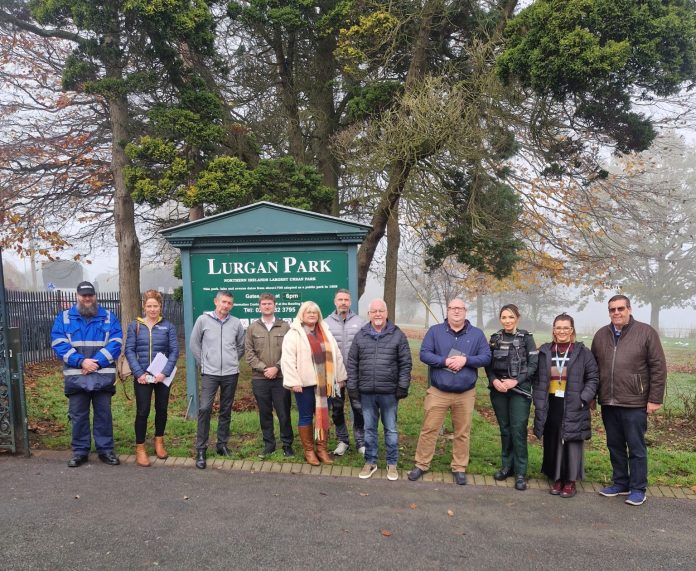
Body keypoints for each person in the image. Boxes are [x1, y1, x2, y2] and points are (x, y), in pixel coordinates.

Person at [591, 295, 667, 506]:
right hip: (608, 402)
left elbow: (658, 368)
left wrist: (655, 399)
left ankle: (638, 488)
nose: (617, 312)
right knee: (614, 445)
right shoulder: (601, 335)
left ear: (629, 309)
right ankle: (620, 483)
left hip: (635, 402)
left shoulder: (646, 333)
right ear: (609, 312)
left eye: (620, 308)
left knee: (636, 447)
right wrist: (592, 397)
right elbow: (593, 369)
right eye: (612, 309)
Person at [407, 299, 491, 485]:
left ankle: (459, 467)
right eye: (453, 308)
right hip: (439, 391)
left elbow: (486, 356)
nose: (456, 311)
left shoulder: (476, 334)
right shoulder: (435, 331)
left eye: (459, 308)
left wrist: (465, 360)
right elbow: (424, 354)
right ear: (448, 310)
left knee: (462, 432)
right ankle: (421, 464)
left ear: (465, 311)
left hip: (465, 393)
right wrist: (445, 361)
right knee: (429, 430)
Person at [50, 281, 123, 467]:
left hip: (102, 376)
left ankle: (105, 450)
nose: (87, 298)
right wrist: (81, 361)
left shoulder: (108, 317)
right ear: (77, 296)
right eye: (84, 295)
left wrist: (95, 362)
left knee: (103, 415)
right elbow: (58, 343)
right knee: (78, 416)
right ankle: (80, 451)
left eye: (90, 295)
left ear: (95, 296)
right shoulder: (64, 318)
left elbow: (116, 342)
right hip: (76, 377)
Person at [533, 313, 599, 498]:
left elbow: (593, 378)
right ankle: (556, 478)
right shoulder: (545, 351)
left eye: (565, 328)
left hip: (574, 402)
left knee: (571, 440)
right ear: (553, 330)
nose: (562, 331)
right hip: (551, 402)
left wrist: (583, 398)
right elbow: (538, 378)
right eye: (558, 327)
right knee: (553, 439)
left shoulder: (583, 352)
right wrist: (538, 400)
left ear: (572, 330)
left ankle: (570, 481)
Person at [347, 299, 412, 481]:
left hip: (390, 393)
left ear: (386, 313)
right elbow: (352, 363)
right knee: (369, 429)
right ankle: (370, 461)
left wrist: (402, 386)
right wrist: (352, 387)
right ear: (369, 314)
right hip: (366, 392)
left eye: (381, 311)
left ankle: (392, 464)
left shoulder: (397, 335)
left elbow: (405, 363)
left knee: (390, 429)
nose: (377, 314)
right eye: (374, 311)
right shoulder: (361, 336)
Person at [281, 301, 347, 466]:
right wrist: (293, 381)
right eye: (308, 312)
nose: (311, 315)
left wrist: (340, 377)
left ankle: (322, 449)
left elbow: (336, 355)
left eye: (314, 312)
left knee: (323, 415)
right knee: (305, 416)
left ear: (318, 315)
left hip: (326, 384)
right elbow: (288, 360)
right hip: (304, 384)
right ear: (301, 315)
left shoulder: (325, 332)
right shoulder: (294, 334)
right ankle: (309, 451)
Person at [189, 290, 246, 469]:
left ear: (232, 305)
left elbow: (241, 346)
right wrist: (204, 363)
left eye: (229, 303)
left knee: (225, 410)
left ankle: (222, 445)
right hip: (210, 373)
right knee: (205, 408)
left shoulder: (236, 323)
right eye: (223, 302)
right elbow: (194, 344)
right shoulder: (203, 320)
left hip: (230, 373)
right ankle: (201, 448)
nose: (226, 305)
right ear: (216, 302)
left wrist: (231, 360)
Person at [485, 304, 538, 491]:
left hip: (519, 390)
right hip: (499, 390)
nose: (507, 320)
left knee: (518, 430)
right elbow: (488, 364)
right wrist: (494, 380)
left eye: (510, 317)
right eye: (504, 317)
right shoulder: (494, 339)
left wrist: (516, 381)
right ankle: (507, 466)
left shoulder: (527, 339)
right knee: (505, 429)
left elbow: (533, 365)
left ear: (517, 318)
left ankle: (521, 472)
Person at [124, 289, 179, 467]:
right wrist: (139, 373)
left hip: (162, 376)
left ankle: (159, 441)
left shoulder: (168, 326)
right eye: (149, 306)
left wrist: (165, 372)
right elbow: (129, 350)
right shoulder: (135, 326)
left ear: (160, 307)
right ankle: (140, 448)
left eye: (155, 306)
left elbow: (174, 352)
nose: (153, 309)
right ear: (144, 306)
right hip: (142, 377)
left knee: (161, 409)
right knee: (143, 411)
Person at [245, 293, 293, 458]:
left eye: (270, 304)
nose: (267, 306)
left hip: (281, 378)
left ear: (274, 306)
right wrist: (265, 368)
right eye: (264, 304)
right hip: (260, 378)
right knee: (265, 413)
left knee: (284, 413)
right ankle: (269, 445)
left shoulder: (285, 326)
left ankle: (287, 445)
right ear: (259, 306)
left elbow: (289, 352)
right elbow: (249, 353)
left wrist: (277, 368)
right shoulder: (252, 328)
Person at [324, 288, 366, 456]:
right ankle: (343, 441)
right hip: (334, 375)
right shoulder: (326, 322)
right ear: (335, 301)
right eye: (340, 299)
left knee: (358, 408)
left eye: (346, 300)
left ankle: (361, 441)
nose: (343, 303)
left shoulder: (361, 322)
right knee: (337, 409)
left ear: (350, 302)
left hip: (356, 374)